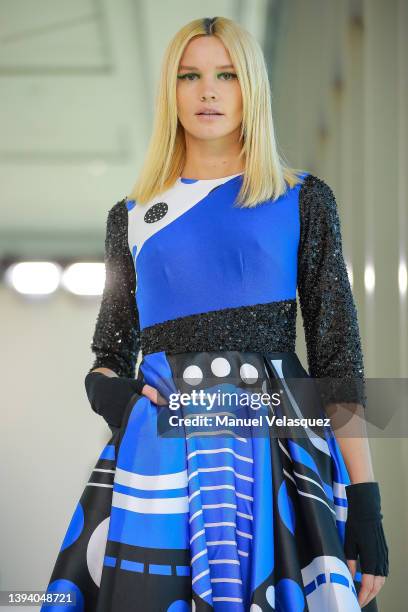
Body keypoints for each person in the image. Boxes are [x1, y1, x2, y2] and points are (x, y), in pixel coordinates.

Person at [41, 16, 389, 612]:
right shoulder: (130, 216)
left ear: (250, 87)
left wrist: (365, 500)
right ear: (170, 91)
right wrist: (116, 397)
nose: (208, 91)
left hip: (278, 452)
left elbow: (338, 360)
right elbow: (107, 357)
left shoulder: (304, 198)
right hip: (163, 455)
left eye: (226, 75)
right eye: (191, 75)